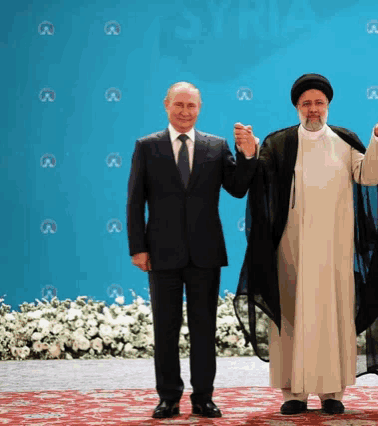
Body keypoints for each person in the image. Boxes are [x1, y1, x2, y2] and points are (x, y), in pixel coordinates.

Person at [234, 73, 378, 416]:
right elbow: (259, 182)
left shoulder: (345, 140)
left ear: (328, 106)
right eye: (306, 104)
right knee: (292, 317)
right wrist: (249, 154)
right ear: (297, 107)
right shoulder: (279, 143)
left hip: (335, 250)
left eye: (319, 103)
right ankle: (291, 392)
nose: (313, 110)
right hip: (290, 249)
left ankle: (331, 391)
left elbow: (369, 176)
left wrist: (377, 141)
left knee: (332, 318)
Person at [126, 81, 258, 419]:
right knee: (165, 328)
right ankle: (168, 397)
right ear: (166, 105)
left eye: (192, 106)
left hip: (205, 253)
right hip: (161, 253)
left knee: (204, 328)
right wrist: (138, 248)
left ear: (199, 109)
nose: (185, 112)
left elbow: (238, 188)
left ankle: (203, 397)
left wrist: (248, 155)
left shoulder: (217, 146)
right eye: (179, 105)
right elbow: (134, 201)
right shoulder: (147, 146)